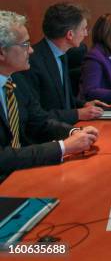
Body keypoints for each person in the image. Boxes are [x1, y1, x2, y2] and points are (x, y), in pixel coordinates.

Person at [0, 11, 99, 179]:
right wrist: (62, 147)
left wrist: (74, 132)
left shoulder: (16, 80)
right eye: (25, 45)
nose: (31, 50)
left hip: (23, 173)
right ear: (2, 53)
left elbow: (40, 122)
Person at [21, 3, 107, 125]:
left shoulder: (62, 55)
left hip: (66, 126)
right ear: (70, 34)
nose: (86, 34)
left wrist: (84, 104)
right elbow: (36, 114)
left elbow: (63, 99)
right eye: (84, 29)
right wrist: (78, 113)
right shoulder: (32, 62)